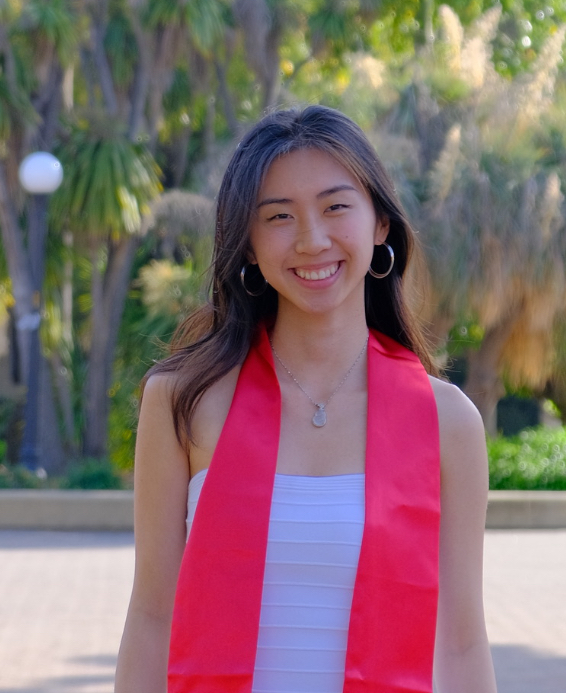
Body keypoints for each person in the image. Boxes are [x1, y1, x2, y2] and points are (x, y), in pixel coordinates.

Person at [115, 106, 496, 692]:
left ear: (380, 225)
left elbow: (462, 640)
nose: (311, 240)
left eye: (336, 207)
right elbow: (150, 617)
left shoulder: (446, 421)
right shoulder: (184, 401)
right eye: (279, 217)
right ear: (246, 244)